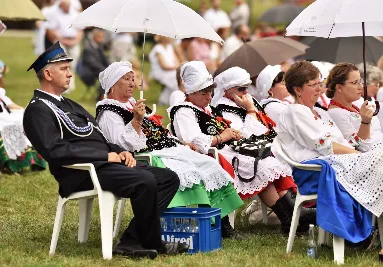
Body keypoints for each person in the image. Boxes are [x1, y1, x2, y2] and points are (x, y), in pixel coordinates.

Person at [23, 42, 188, 259]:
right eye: (64, 69)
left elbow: (98, 134)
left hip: (105, 165)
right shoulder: (38, 109)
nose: (70, 74)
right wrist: (103, 156)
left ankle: (132, 240)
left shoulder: (69, 104)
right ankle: (149, 242)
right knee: (145, 180)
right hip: (82, 172)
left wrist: (121, 151)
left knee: (167, 178)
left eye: (68, 68)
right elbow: (56, 150)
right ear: (47, 73)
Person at [96, 61, 244, 238]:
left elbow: (159, 131)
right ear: (112, 85)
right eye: (126, 79)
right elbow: (120, 145)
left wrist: (180, 143)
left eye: (133, 79)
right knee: (189, 170)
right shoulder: (109, 111)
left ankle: (221, 223)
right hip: (147, 156)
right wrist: (136, 121)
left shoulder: (133, 104)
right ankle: (178, 225)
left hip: (166, 148)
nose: (131, 83)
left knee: (208, 164)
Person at [170, 61, 315, 234]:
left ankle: (290, 218)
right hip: (212, 157)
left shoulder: (207, 109)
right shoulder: (184, 110)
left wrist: (231, 133)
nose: (209, 97)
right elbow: (194, 141)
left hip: (231, 152)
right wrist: (224, 136)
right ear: (191, 92)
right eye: (204, 93)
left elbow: (243, 132)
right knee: (262, 165)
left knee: (266, 165)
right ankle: (289, 218)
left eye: (210, 92)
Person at [276, 61, 383, 258]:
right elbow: (324, 145)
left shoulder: (321, 112)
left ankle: (371, 234)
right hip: (314, 172)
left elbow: (346, 143)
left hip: (332, 164)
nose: (320, 88)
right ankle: (366, 235)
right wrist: (358, 155)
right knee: (378, 164)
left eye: (320, 83)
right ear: (298, 89)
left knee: (379, 163)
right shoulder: (295, 111)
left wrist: (361, 136)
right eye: (313, 85)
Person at [326, 63, 383, 152]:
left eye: (360, 82)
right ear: (339, 88)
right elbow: (356, 148)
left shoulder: (356, 106)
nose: (361, 87)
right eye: (355, 83)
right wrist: (365, 122)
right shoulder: (336, 113)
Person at [46, 0, 83, 91]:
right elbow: (53, 30)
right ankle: (62, 83)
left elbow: (80, 30)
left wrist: (75, 41)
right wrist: (62, 40)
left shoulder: (75, 14)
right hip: (61, 41)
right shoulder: (56, 15)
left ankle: (71, 83)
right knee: (62, 63)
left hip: (74, 41)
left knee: (73, 64)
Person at [149, 35, 180, 105]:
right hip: (161, 72)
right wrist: (176, 68)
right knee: (178, 78)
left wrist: (179, 67)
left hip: (171, 71)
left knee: (180, 76)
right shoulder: (158, 49)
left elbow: (176, 61)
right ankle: (174, 100)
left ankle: (164, 100)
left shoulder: (169, 47)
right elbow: (164, 66)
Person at [79, 28, 109, 99]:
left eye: (102, 37)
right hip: (88, 72)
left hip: (97, 71)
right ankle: (101, 96)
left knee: (110, 73)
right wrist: (105, 70)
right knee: (106, 74)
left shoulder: (100, 47)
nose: (102, 39)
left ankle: (103, 95)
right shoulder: (87, 48)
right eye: (100, 37)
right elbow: (92, 63)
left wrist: (112, 67)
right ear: (94, 37)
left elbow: (105, 60)